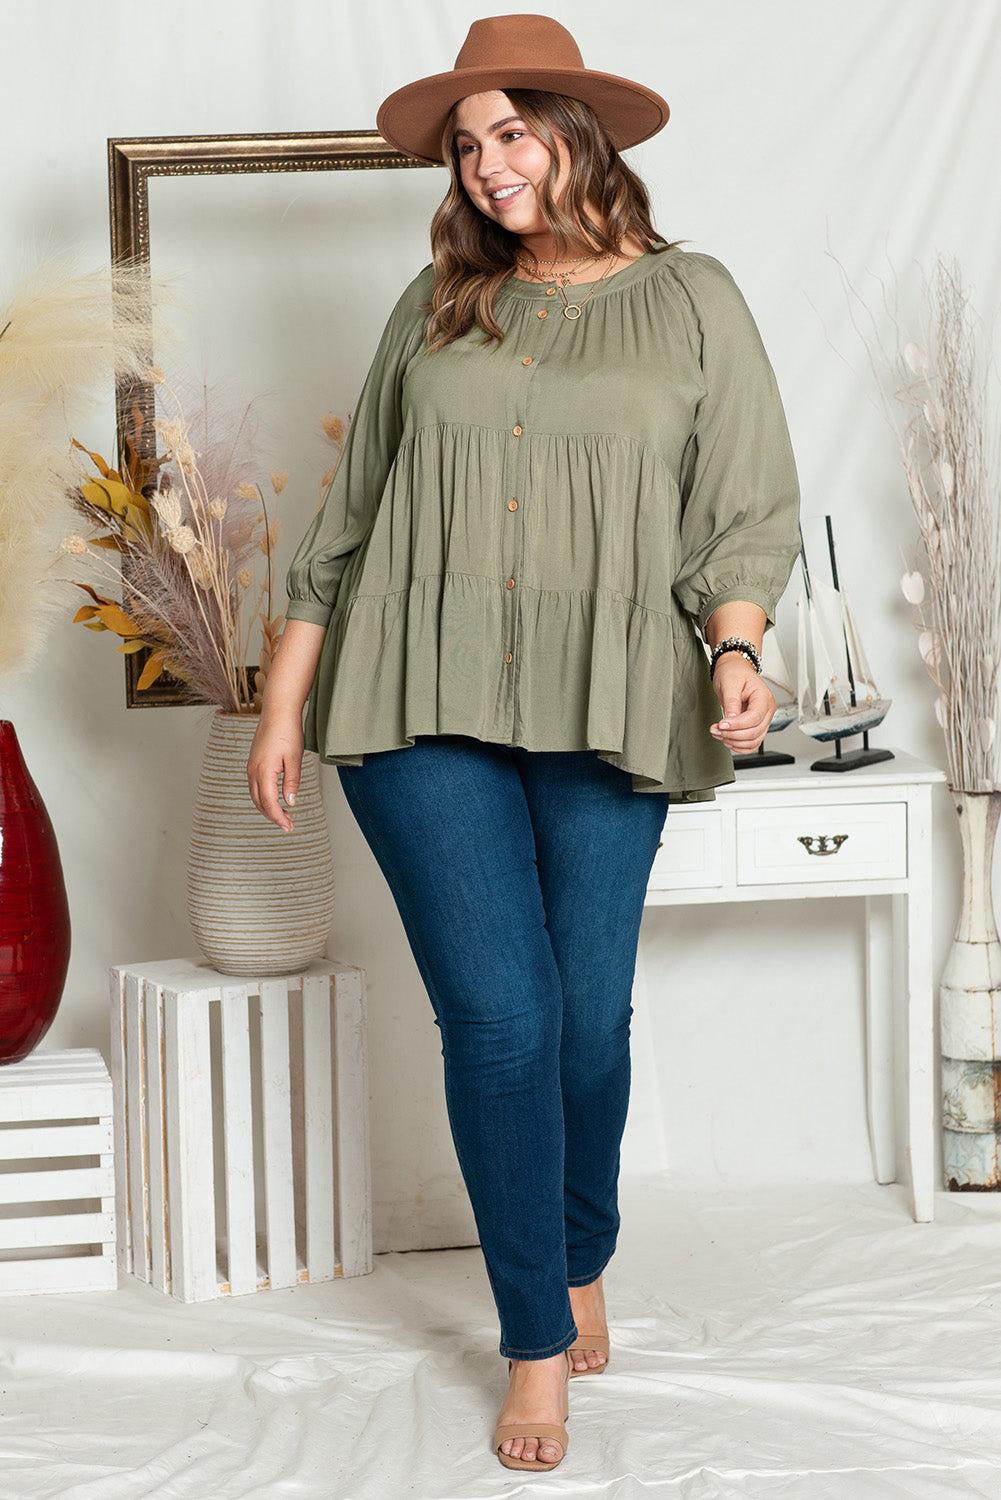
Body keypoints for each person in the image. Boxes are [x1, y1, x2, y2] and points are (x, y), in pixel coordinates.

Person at [248, 13, 800, 1476]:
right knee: (498, 1020)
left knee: (586, 1018)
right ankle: (533, 1341)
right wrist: (285, 701)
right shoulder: (437, 303)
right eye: (464, 144)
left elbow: (743, 504)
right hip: (413, 696)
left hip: (611, 696)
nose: (487, 165)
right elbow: (349, 513)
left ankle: (578, 1246)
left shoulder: (692, 296)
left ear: (573, 135)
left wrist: (735, 647)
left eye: (509, 132)